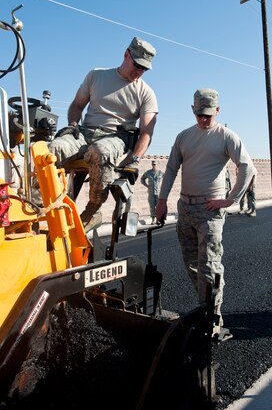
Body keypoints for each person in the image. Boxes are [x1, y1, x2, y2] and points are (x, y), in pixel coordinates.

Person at [156, 88, 255, 340]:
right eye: (199, 114)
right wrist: (162, 200)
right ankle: (204, 306)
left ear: (218, 111)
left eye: (208, 115)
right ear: (193, 110)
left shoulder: (225, 137)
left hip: (209, 212)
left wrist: (230, 199)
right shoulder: (183, 137)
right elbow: (170, 169)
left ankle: (213, 317)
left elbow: (247, 167)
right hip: (185, 208)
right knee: (191, 264)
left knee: (209, 265)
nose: (203, 119)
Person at [46, 36, 158, 231]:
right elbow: (77, 105)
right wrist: (73, 124)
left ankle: (93, 211)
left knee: (100, 151)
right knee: (52, 150)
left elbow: (147, 132)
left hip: (116, 137)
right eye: (137, 65)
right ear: (126, 55)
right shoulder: (96, 75)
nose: (139, 72)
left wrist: (135, 160)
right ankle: (44, 207)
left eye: (144, 69)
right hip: (84, 132)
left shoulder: (146, 93)